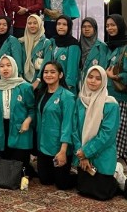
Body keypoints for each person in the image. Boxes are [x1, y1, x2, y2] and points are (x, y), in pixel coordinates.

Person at [73, 65, 120, 201]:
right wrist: (81, 154)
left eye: (98, 79)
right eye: (90, 77)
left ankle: (118, 174)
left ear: (104, 81)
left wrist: (87, 151)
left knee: (102, 194)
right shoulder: (80, 100)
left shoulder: (111, 104)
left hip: (102, 155)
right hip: (82, 156)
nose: (93, 81)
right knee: (83, 190)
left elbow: (108, 134)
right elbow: (75, 129)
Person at [0, 55, 35, 174]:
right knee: (4, 170)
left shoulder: (25, 87)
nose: (5, 69)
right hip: (2, 127)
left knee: (19, 169)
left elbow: (33, 109)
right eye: (2, 66)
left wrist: (28, 121)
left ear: (14, 67)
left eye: (8, 65)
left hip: (20, 129)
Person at [35, 61, 76, 189]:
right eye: (46, 72)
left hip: (59, 147)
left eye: (53, 72)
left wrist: (63, 150)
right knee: (45, 181)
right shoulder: (41, 93)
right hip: (43, 146)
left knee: (62, 185)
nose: (49, 75)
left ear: (60, 75)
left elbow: (67, 124)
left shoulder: (67, 96)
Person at [103, 14, 127, 159]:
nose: (110, 28)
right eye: (108, 25)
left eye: (113, 25)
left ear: (120, 26)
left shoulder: (126, 48)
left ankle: (118, 166)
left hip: (120, 98)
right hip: (109, 96)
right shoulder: (111, 47)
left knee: (118, 134)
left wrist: (115, 77)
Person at [42, 15, 81, 93]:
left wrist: (65, 88)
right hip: (50, 85)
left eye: (64, 24)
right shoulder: (52, 41)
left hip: (65, 88)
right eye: (58, 24)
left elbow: (72, 71)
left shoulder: (73, 44)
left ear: (69, 27)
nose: (61, 27)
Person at [0, 16, 22, 82]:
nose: (1, 27)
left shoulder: (13, 41)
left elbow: (17, 61)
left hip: (8, 77)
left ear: (8, 26)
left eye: (4, 25)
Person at [19, 14, 49, 85]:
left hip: (40, 83)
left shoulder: (46, 43)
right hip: (23, 82)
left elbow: (47, 63)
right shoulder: (21, 42)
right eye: (29, 23)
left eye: (35, 23)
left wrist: (38, 80)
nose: (32, 26)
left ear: (40, 25)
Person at [78, 17, 108, 82]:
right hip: (78, 84)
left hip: (95, 83)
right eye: (84, 27)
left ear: (94, 29)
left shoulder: (102, 47)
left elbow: (102, 69)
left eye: (90, 26)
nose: (86, 29)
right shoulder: (77, 46)